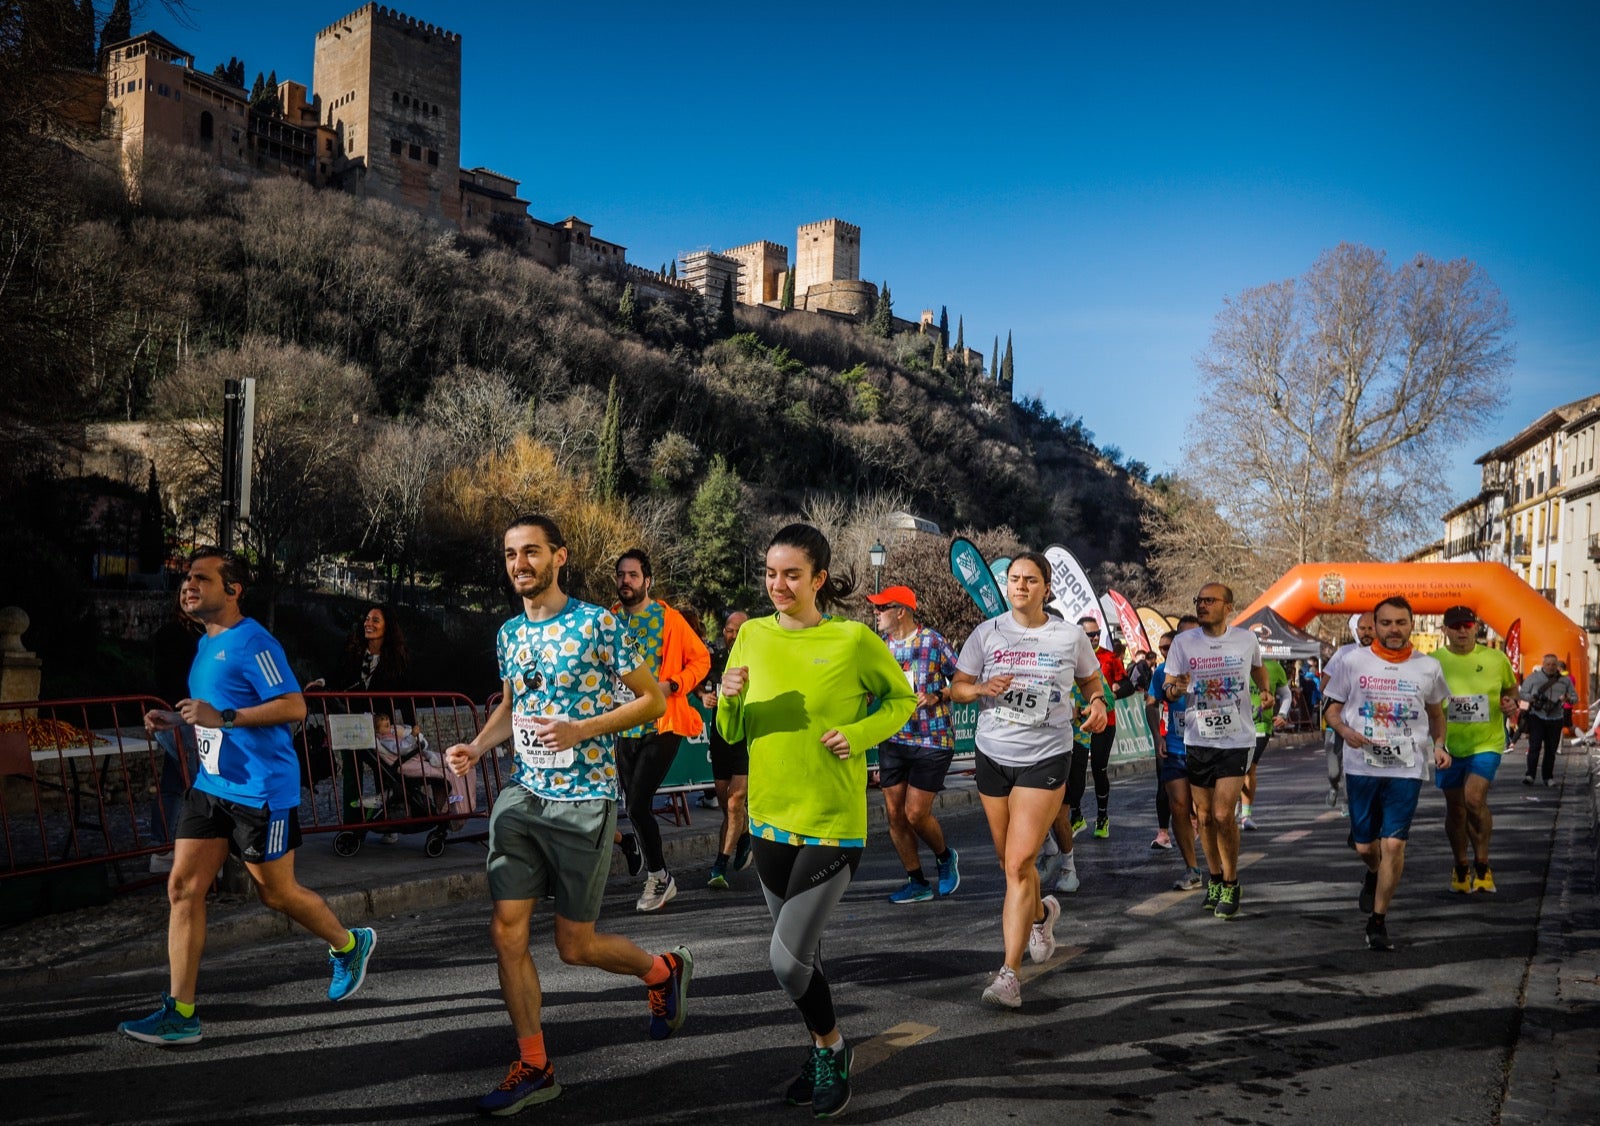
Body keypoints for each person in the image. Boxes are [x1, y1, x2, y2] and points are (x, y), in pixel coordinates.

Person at [444, 515, 691, 1116]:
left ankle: (661, 973)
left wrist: (582, 728)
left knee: (574, 947)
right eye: (509, 554)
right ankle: (535, 1064)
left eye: (531, 552)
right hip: (523, 797)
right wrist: (478, 747)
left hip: (584, 800)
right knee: (506, 932)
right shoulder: (508, 634)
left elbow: (652, 700)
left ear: (560, 557)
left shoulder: (597, 624)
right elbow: (511, 705)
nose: (519, 563)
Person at [119, 549, 377, 1046]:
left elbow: (294, 706)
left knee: (275, 893)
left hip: (261, 792)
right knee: (183, 888)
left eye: (201, 578)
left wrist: (226, 719)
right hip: (212, 786)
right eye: (185, 578)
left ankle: (349, 944)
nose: (188, 586)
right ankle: (181, 1013)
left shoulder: (255, 642)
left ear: (233, 590)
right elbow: (218, 708)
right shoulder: (207, 642)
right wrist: (179, 720)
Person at [718, 524, 915, 1117]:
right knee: (804, 958)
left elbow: (901, 700)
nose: (778, 585)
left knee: (785, 960)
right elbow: (732, 733)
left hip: (831, 822)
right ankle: (820, 1048)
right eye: (771, 573)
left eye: (792, 574)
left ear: (819, 580)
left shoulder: (854, 640)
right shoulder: (750, 635)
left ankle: (833, 1048)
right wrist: (726, 697)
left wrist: (857, 736)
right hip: (769, 821)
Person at [952, 552, 1106, 1010]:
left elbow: (1093, 683)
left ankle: (1009, 974)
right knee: (1008, 863)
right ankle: (1042, 912)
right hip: (994, 754)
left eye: (1030, 579)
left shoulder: (1069, 635)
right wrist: (980, 689)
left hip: (1046, 756)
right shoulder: (987, 632)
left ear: (1046, 587)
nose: (1020, 586)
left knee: (1020, 864)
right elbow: (958, 684)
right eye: (1014, 579)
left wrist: (1097, 705)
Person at [1322, 596, 1450, 951]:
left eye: (1401, 623)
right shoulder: (1353, 661)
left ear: (1412, 625)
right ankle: (1373, 870)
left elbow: (1436, 713)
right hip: (1362, 764)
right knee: (1366, 846)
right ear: (1374, 626)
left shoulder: (1429, 667)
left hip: (1406, 766)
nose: (1394, 630)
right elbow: (1332, 710)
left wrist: (1440, 745)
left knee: (1394, 843)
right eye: (1386, 623)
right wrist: (1345, 731)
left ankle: (1378, 921)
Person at [1161, 583, 1270, 919]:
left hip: (1236, 739)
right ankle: (1215, 877)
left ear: (1228, 606)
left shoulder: (1245, 639)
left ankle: (1232, 881)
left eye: (1209, 601)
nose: (1202, 605)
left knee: (1224, 815)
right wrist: (1175, 688)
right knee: (1204, 816)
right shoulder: (1183, 643)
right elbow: (1168, 688)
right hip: (1198, 739)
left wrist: (1265, 690)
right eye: (1199, 601)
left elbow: (1257, 667)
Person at [611, 549, 711, 911]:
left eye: (633, 575)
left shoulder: (669, 619)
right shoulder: (609, 620)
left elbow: (701, 659)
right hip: (625, 726)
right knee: (631, 806)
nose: (626, 581)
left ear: (647, 581)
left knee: (638, 803)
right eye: (621, 575)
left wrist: (675, 684)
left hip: (663, 723)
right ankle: (643, 852)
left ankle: (659, 878)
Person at [868, 584, 962, 903]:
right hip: (894, 739)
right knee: (895, 815)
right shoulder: (879, 648)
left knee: (915, 814)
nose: (876, 613)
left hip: (932, 739)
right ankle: (917, 881)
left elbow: (962, 680)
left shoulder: (932, 641)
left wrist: (938, 695)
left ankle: (945, 856)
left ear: (901, 611)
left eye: (881, 608)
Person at [305, 605, 414, 841]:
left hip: (379, 725)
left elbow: (405, 696)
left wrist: (412, 725)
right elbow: (338, 675)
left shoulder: (396, 658)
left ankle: (385, 822)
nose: (369, 624)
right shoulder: (353, 650)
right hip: (352, 721)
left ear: (388, 628)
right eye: (367, 619)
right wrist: (322, 682)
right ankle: (352, 826)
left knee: (383, 773)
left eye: (376, 620)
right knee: (352, 774)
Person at [1432, 605, 1519, 894]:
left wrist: (1510, 704)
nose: (1461, 631)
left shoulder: (1496, 659)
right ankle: (1461, 865)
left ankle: (1483, 864)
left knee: (1473, 798)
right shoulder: (1433, 662)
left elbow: (1511, 691)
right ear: (1444, 629)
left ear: (1476, 628)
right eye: (1455, 626)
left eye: (1467, 626)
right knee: (1455, 810)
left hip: (1487, 742)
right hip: (1449, 745)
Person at [146, 599, 202, 873]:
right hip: (180, 715)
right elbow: (173, 677)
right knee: (195, 780)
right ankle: (186, 847)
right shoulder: (180, 636)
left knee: (175, 781)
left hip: (178, 713)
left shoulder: (193, 634)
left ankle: (164, 846)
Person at [1149, 626, 1204, 890]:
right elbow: (1151, 703)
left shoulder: (1213, 665)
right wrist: (1158, 738)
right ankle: (1192, 869)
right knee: (1178, 807)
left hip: (1208, 748)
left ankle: (1219, 869)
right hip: (1176, 748)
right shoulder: (1163, 672)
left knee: (1208, 813)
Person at [1074, 615, 1131, 839]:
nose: (1095, 637)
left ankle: (1102, 817)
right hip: (1076, 724)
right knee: (1074, 772)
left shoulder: (1109, 657)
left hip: (1104, 722)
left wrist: (1109, 695)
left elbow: (1128, 685)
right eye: (1090, 634)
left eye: (1097, 633)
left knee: (1098, 768)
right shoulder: (1071, 656)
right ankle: (1076, 816)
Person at [707, 610, 752, 888]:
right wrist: (705, 695)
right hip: (720, 738)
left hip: (746, 738)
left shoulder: (758, 660)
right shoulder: (715, 659)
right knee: (726, 803)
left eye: (738, 630)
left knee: (736, 802)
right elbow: (699, 685)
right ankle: (744, 835)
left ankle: (719, 865)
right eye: (728, 629)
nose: (732, 635)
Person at [1320, 612, 1375, 812]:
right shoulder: (1344, 653)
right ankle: (1334, 786)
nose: (1366, 633)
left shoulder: (1384, 655)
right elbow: (1324, 685)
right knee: (1335, 770)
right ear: (1356, 631)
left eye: (1371, 628)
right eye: (1362, 628)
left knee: (1357, 767)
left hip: (1362, 724)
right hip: (1338, 723)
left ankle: (1348, 802)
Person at [1238, 658, 1290, 830]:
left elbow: (1286, 694)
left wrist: (1282, 714)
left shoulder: (1273, 667)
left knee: (1249, 767)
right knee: (1234, 769)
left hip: (1261, 726)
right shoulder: (1235, 662)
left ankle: (1245, 816)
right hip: (1235, 725)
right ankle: (1232, 810)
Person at [1519, 653, 1576, 786]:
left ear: (1557, 666)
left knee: (1551, 750)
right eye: (1548, 664)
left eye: (1553, 664)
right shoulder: (1533, 678)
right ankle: (1530, 775)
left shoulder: (1565, 680)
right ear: (1543, 665)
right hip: (1537, 715)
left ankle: (1548, 777)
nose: (1550, 667)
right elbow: (1522, 693)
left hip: (1556, 717)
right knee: (1535, 746)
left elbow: (1575, 698)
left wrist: (1567, 697)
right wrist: (1533, 698)